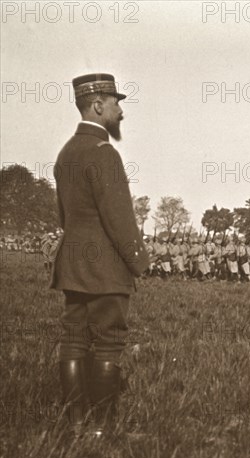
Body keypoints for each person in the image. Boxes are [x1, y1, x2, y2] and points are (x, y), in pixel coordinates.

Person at [51, 73, 148, 433]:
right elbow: (119, 218)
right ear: (97, 105)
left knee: (74, 338)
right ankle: (102, 429)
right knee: (109, 341)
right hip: (105, 266)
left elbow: (64, 216)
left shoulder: (66, 153)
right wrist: (138, 260)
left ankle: (76, 424)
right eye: (115, 102)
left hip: (73, 263)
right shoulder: (104, 153)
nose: (120, 111)